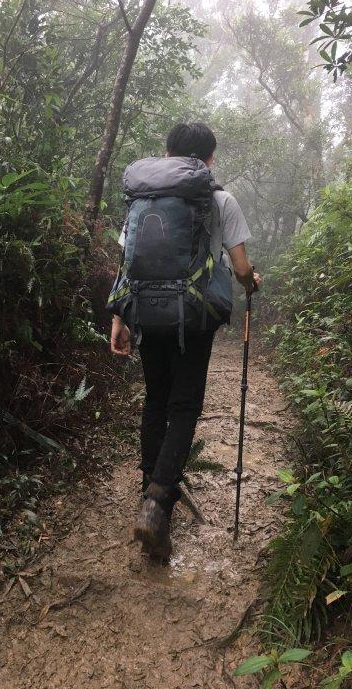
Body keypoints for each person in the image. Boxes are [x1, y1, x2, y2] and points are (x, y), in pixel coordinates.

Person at [110, 122, 261, 559]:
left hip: (145, 313)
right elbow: (240, 267)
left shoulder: (143, 200)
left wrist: (118, 318)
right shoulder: (220, 200)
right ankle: (157, 502)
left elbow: (126, 263)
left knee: (155, 399)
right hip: (193, 318)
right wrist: (253, 282)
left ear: (168, 153)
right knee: (184, 404)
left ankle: (148, 496)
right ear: (209, 159)